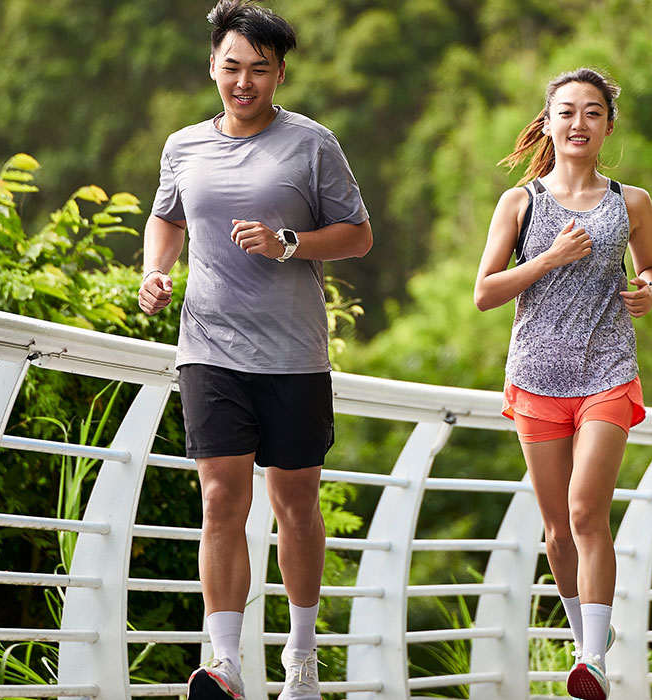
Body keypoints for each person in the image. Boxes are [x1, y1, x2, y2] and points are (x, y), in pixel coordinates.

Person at [136, 2, 372, 699]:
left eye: (259, 71)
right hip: (208, 347)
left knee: (296, 504)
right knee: (220, 500)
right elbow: (166, 213)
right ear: (212, 65)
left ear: (279, 74)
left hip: (294, 354)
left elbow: (357, 235)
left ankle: (301, 657)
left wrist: (289, 243)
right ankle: (226, 660)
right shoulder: (183, 146)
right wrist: (156, 269)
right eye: (232, 67)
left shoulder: (312, 144)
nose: (244, 82)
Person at [473, 67, 652, 700]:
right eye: (567, 112)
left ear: (608, 125)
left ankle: (591, 658)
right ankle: (589, 632)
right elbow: (484, 293)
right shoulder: (521, 202)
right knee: (557, 528)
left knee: (587, 509)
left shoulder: (629, 201)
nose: (578, 123)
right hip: (535, 377)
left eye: (592, 112)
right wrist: (550, 258)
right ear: (549, 123)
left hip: (608, 371)